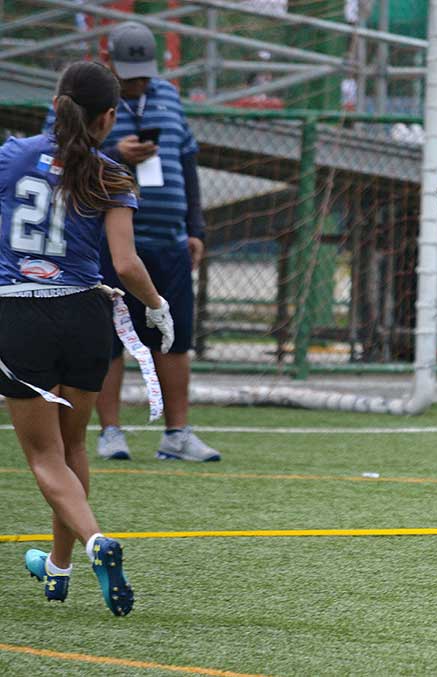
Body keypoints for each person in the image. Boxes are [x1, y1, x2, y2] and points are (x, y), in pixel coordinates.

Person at [2, 61, 175, 615]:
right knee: (75, 447)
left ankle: (96, 541)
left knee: (45, 457)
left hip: (20, 315)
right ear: (107, 118)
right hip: (83, 316)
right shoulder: (111, 174)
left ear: (56, 103)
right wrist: (157, 306)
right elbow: (125, 264)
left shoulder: (9, 156)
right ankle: (59, 567)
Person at [43, 21, 218, 462]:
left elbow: (188, 160)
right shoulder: (83, 98)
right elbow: (57, 155)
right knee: (109, 337)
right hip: (104, 239)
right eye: (129, 74)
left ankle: (177, 434)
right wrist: (117, 154)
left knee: (175, 335)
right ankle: (110, 432)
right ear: (109, 63)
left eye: (143, 74)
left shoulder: (169, 97)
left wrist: (195, 226)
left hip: (168, 238)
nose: (137, 83)